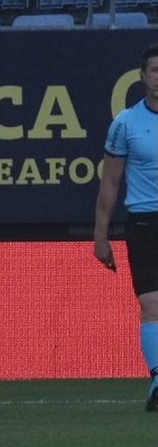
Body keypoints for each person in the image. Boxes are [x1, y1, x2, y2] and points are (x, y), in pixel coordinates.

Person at [93, 43, 158, 412]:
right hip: (146, 223)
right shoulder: (126, 123)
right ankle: (157, 380)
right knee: (151, 306)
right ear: (142, 76)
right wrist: (101, 236)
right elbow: (110, 183)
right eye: (154, 71)